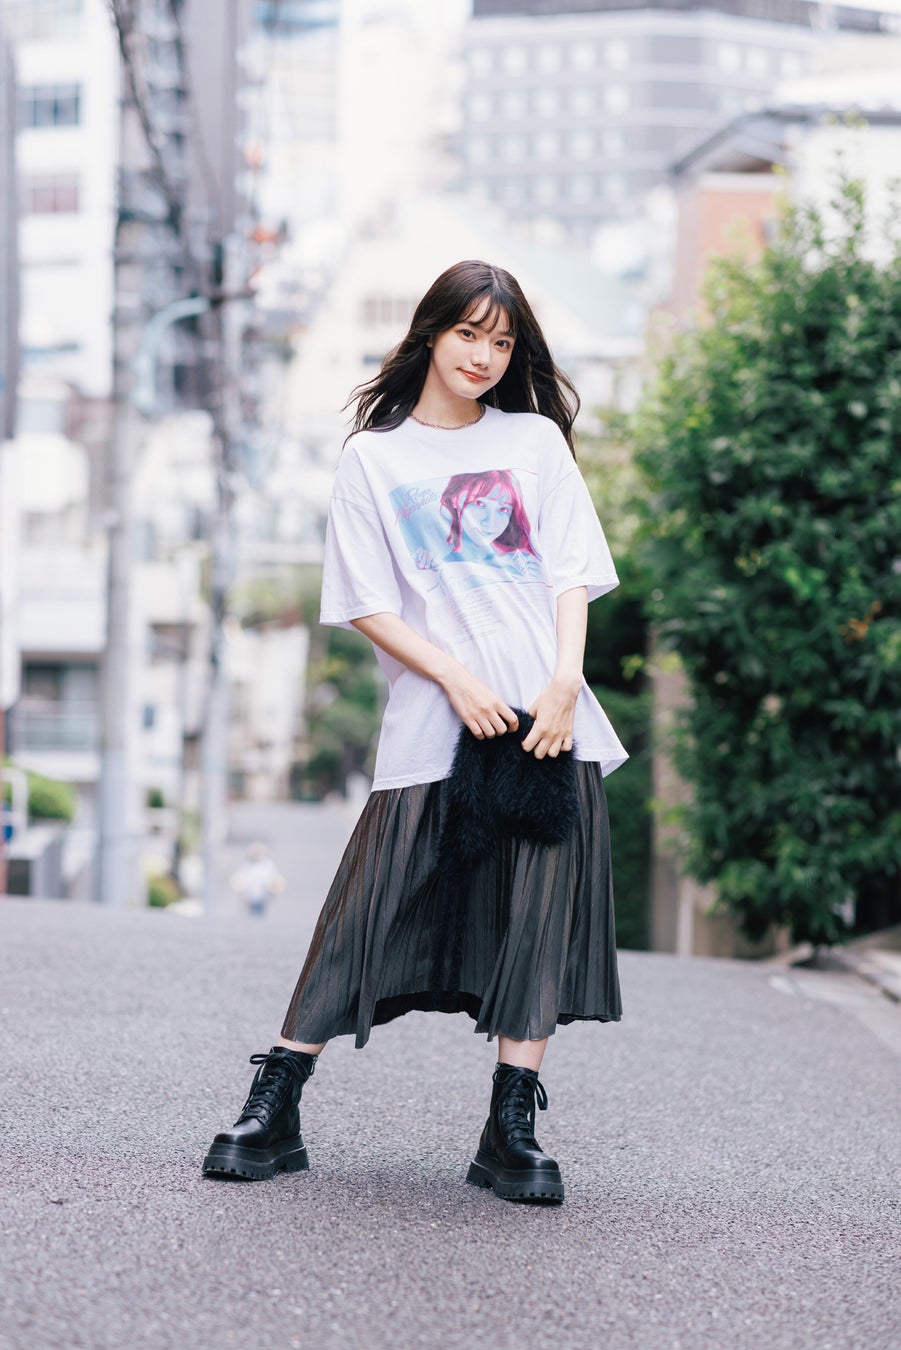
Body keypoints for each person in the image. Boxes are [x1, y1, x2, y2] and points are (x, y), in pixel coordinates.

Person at [202, 259, 627, 1203]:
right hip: (437, 719)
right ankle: (275, 1104)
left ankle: (510, 1129)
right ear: (430, 334)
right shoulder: (373, 457)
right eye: (468, 333)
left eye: (501, 341)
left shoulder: (532, 442)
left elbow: (569, 574)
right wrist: (455, 677)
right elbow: (365, 602)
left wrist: (563, 684)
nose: (483, 355)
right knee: (366, 907)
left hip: (544, 721)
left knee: (535, 918)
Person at [229, 842, 285, 918]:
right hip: (249, 897)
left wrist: (274, 888)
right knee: (249, 916)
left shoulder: (268, 865)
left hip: (263, 897)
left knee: (261, 916)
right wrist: (239, 887)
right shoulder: (246, 865)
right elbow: (239, 879)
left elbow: (274, 879)